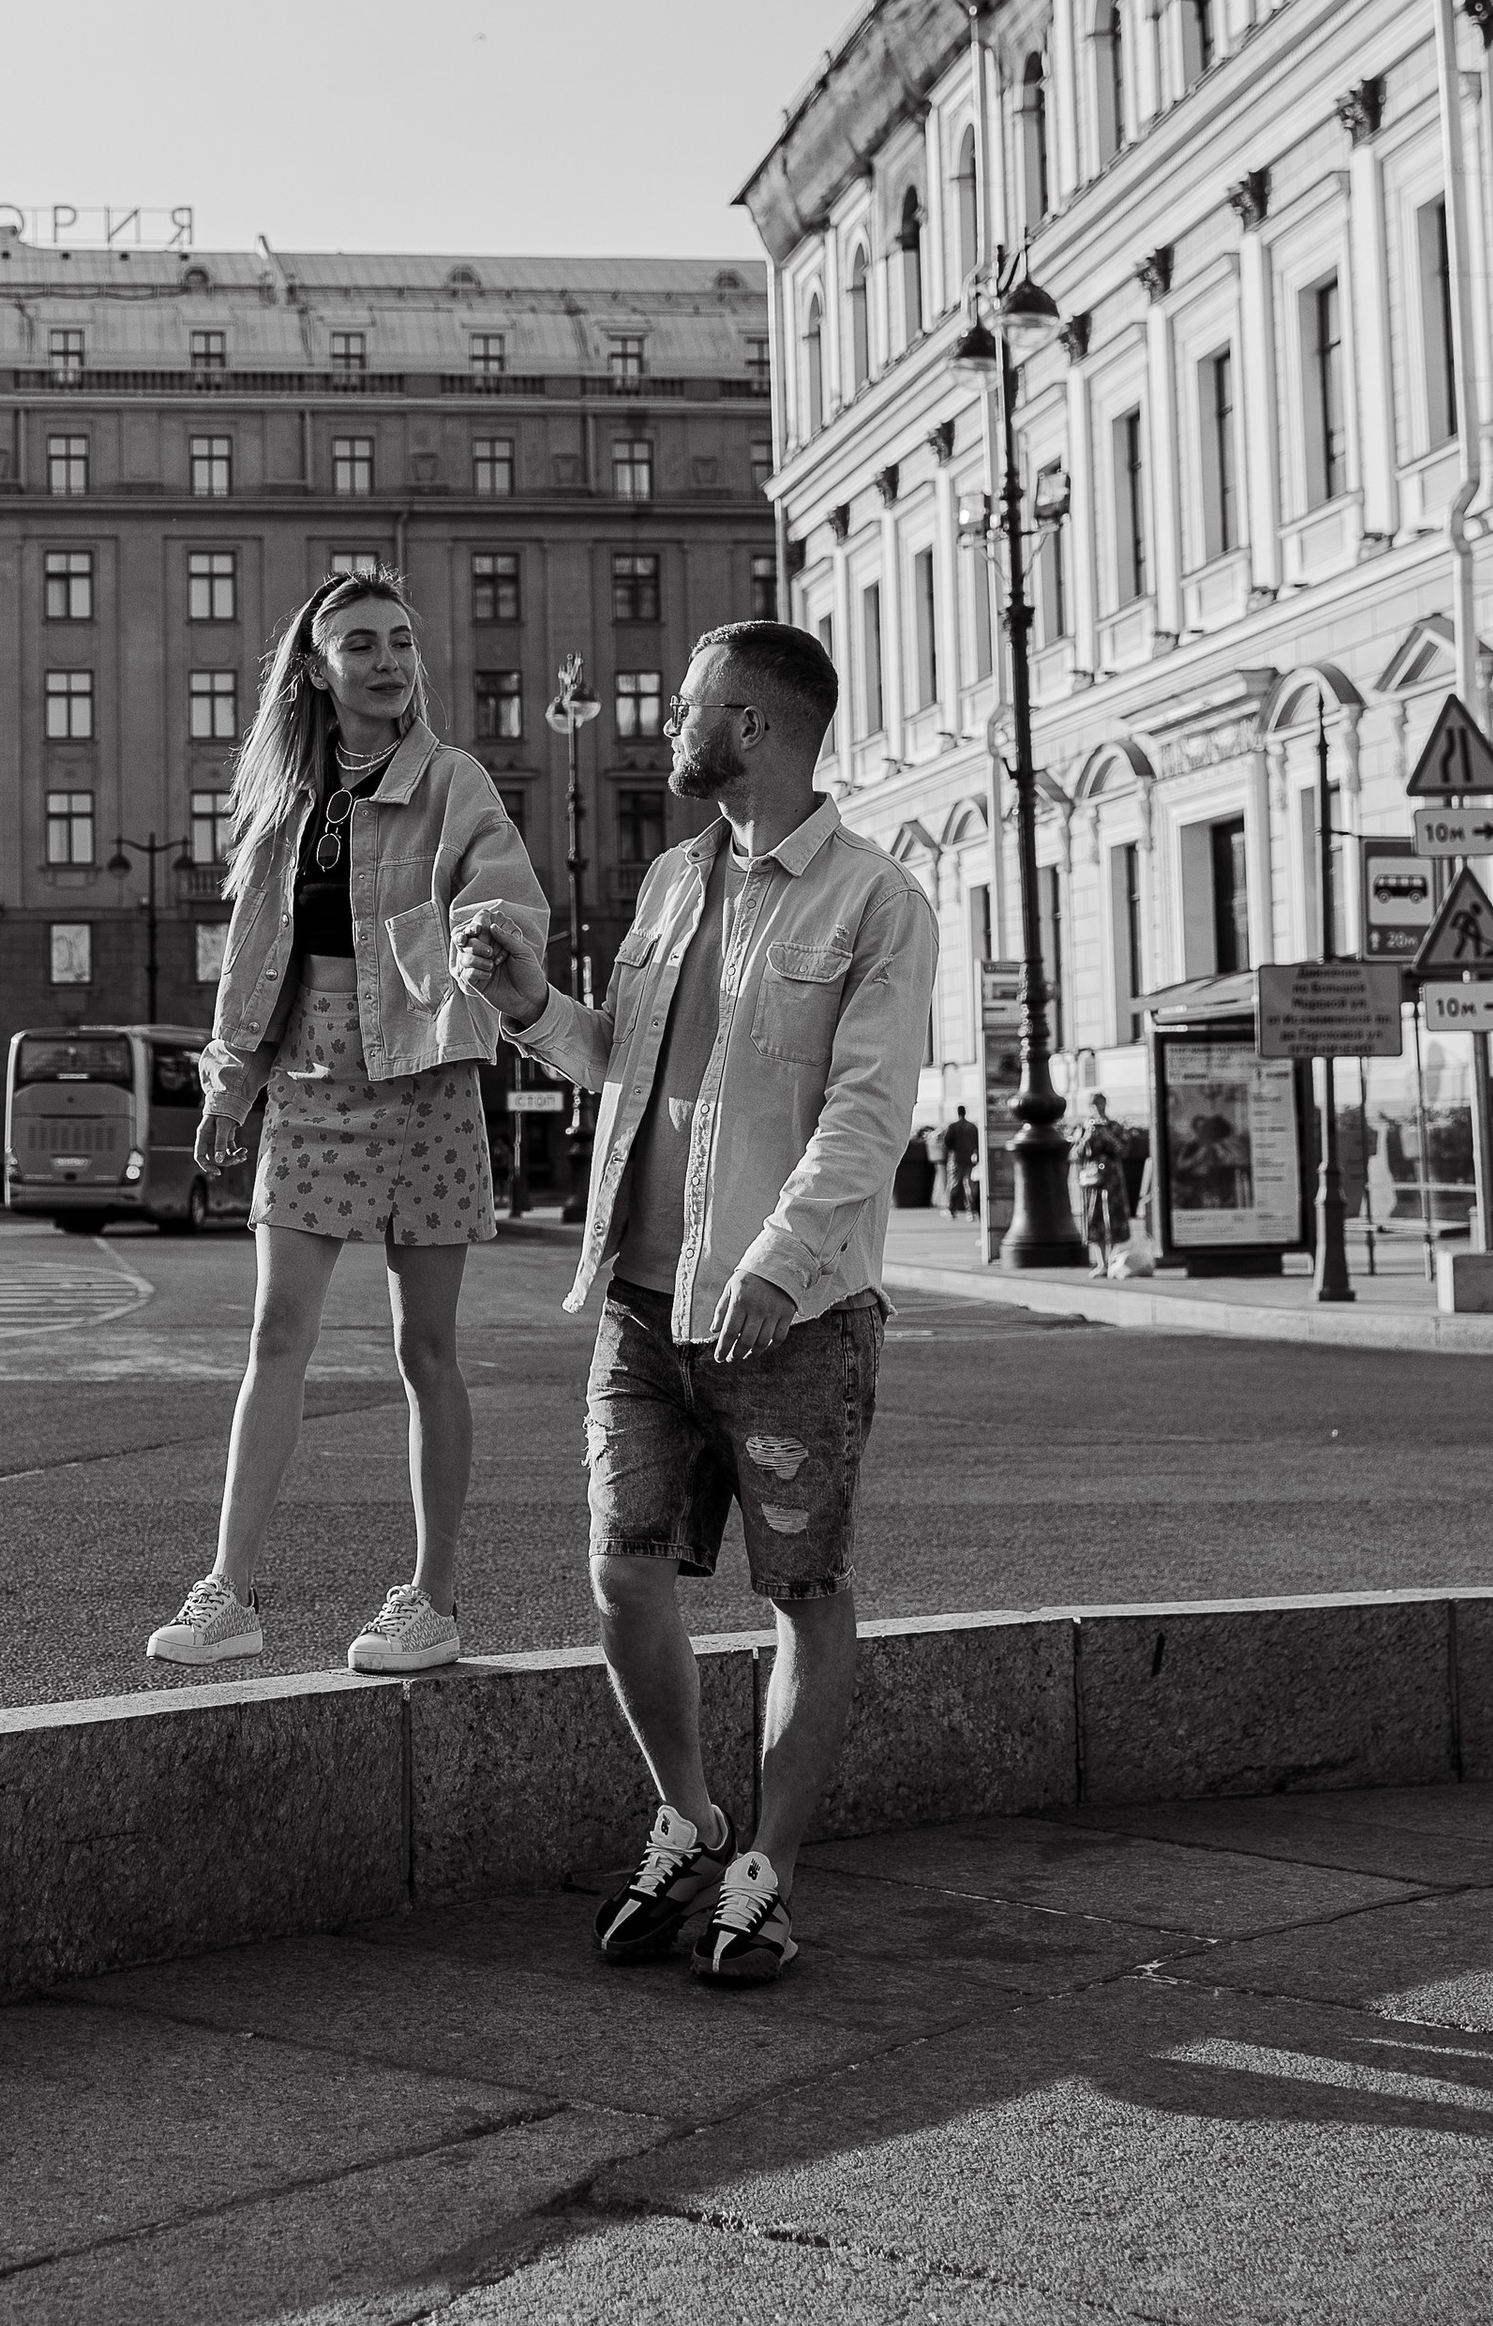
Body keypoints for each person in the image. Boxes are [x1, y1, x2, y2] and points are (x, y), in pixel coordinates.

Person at [452, 622, 936, 1988]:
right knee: (622, 1578)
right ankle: (689, 1816)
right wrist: (532, 1002)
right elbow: (620, 1060)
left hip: (792, 1313)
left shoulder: (873, 900)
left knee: (808, 1593)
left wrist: (779, 1266)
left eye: (697, 704)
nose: (673, 718)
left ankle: (767, 1878)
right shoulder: (674, 879)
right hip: (641, 1302)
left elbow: (867, 1111)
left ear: (762, 728)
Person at [147, 570, 549, 1680]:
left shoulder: (452, 780)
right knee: (277, 1331)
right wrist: (231, 1085)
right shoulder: (287, 801)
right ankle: (228, 1589)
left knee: (426, 1349)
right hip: (314, 1074)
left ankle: (433, 1597)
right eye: (360, 644)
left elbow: (502, 886)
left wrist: (486, 939)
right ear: (316, 671)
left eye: (399, 642)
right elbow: (255, 958)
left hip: (423, 1067)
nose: (385, 661)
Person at [1074, 1092, 1131, 1275]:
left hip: (1112, 1178)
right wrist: (1087, 1137)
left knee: (1113, 1217)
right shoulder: (1085, 1126)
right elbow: (1077, 1153)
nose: (1098, 1107)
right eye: (1094, 1104)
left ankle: (1112, 1259)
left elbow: (1123, 1150)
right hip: (1093, 1179)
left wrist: (1108, 1136)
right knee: (1095, 1217)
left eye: (1101, 1103)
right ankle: (1101, 1263)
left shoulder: (1114, 1126)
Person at [939, 1106, 980, 1217]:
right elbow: (978, 1143)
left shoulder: (953, 1127)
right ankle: (971, 1211)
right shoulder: (972, 1127)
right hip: (969, 1159)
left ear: (957, 1113)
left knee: (954, 1184)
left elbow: (946, 1143)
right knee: (969, 1186)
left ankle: (952, 1210)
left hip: (956, 1159)